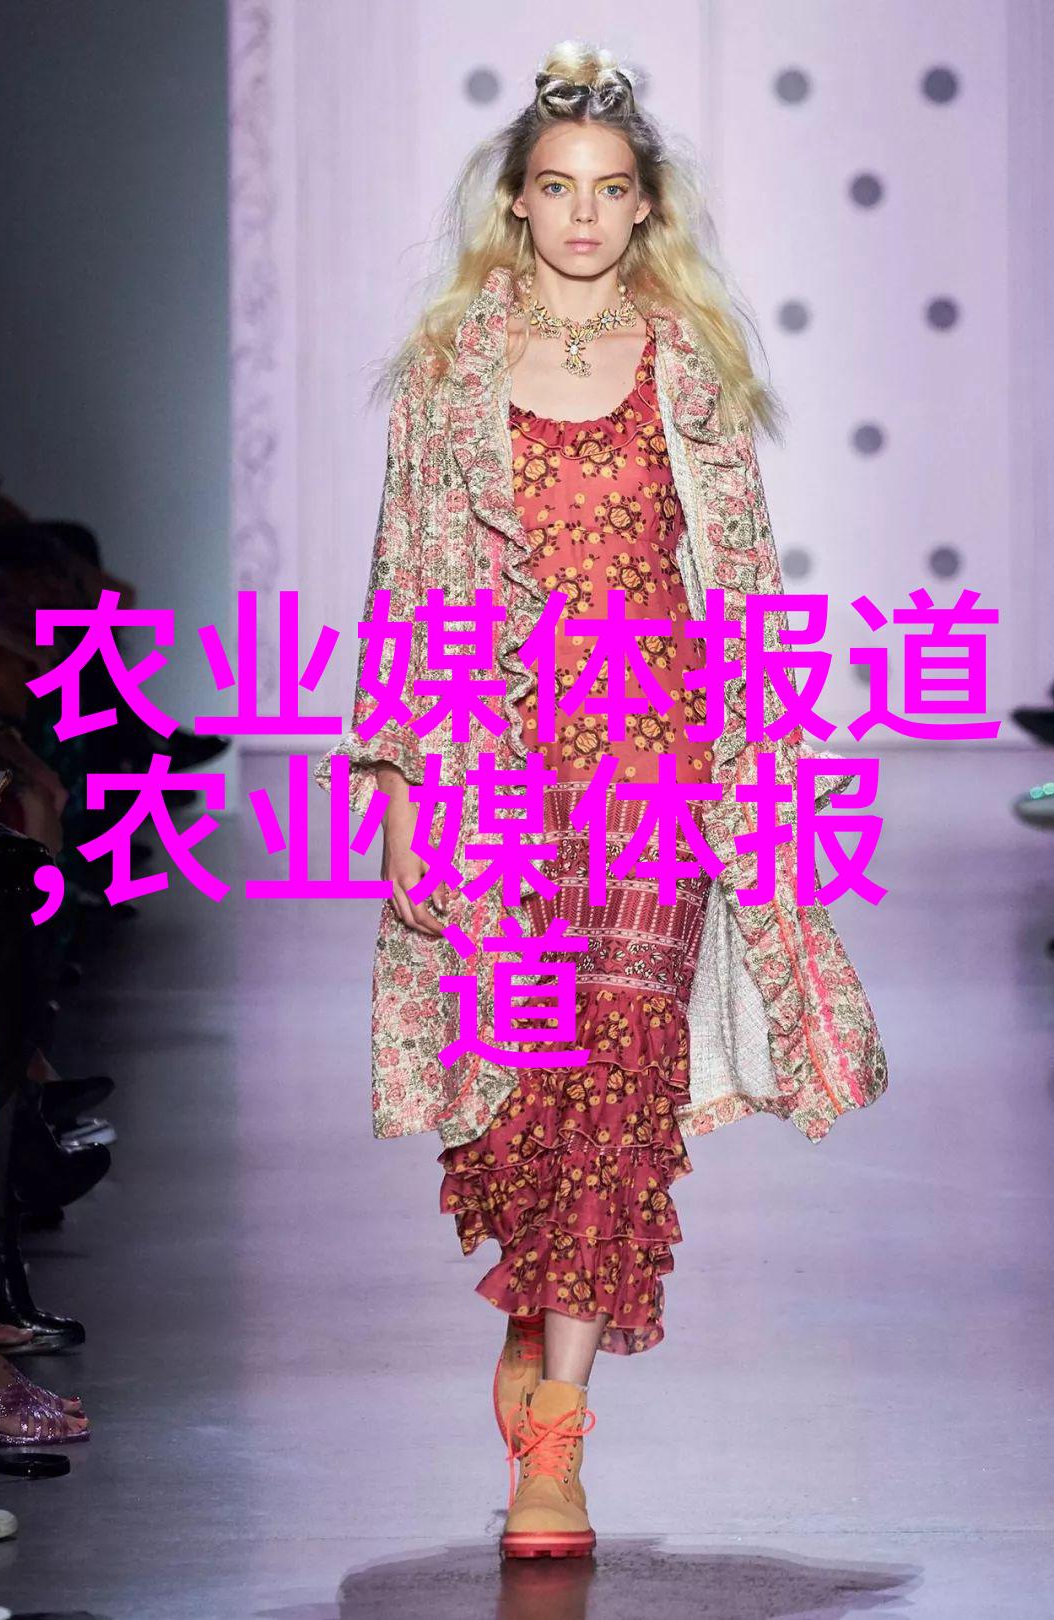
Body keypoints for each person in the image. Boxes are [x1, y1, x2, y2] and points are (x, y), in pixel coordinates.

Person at [315, 39, 888, 1560]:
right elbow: (407, 585)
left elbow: (743, 585)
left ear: (647, 208)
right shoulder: (447, 376)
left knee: (624, 1071)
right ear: (515, 200)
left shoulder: (692, 361)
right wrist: (398, 788)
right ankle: (537, 1304)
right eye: (557, 187)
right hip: (496, 771)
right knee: (529, 1083)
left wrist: (764, 779)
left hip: (656, 760)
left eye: (610, 190)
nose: (582, 214)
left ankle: (557, 1439)